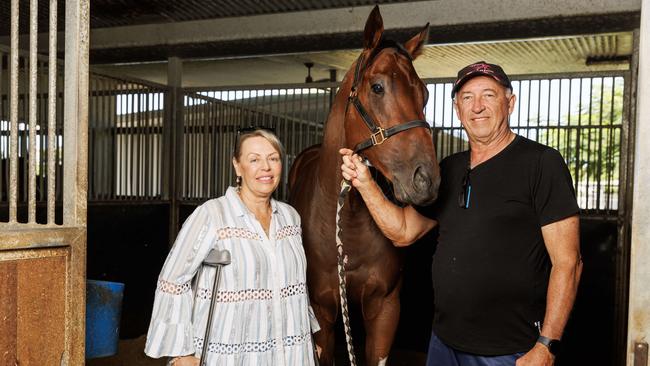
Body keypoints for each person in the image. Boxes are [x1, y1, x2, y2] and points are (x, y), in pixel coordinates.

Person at [340, 61, 582, 366]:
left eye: (489, 95)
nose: (477, 106)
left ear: (510, 103)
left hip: (510, 351)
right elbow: (402, 232)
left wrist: (547, 345)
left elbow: (569, 263)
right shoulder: (451, 168)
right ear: (457, 109)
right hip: (444, 343)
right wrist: (364, 182)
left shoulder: (541, 164)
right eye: (467, 98)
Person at [145, 127, 319, 365]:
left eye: (273, 158)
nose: (265, 168)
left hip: (287, 352)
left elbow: (296, 285)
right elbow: (173, 280)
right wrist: (182, 352)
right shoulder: (211, 214)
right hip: (231, 352)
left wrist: (307, 337)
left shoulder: (290, 217)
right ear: (237, 166)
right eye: (254, 159)